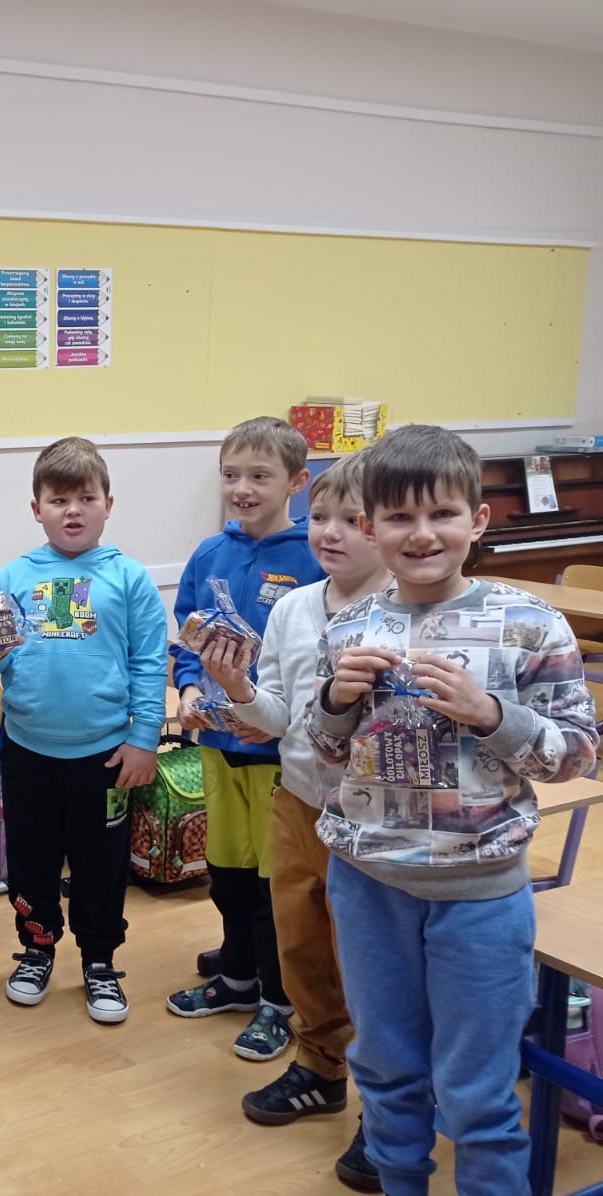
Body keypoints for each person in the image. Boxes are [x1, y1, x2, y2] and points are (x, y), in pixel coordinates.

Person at [307, 423, 597, 1196]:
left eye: (442, 513)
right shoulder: (349, 626)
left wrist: (490, 713)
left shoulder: (529, 622)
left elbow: (578, 755)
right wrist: (334, 700)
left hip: (480, 891)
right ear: (370, 526)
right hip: (368, 883)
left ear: (479, 519)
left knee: (477, 1094)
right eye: (399, 517)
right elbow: (326, 752)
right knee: (385, 1069)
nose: (422, 533)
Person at [199, 452, 388, 1190]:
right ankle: (320, 1067)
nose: (330, 533)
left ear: (386, 529)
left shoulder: (403, 610)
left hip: (374, 820)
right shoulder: (293, 608)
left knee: (366, 964)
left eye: (353, 521)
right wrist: (237, 687)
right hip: (298, 799)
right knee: (301, 946)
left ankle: (389, 1110)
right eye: (322, 518)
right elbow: (279, 716)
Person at [0, 437, 167, 1023]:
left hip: (104, 756)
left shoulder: (130, 578)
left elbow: (149, 662)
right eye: (59, 500)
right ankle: (36, 950)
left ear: (109, 503)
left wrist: (145, 738)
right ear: (37, 509)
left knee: (100, 865)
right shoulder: (15, 574)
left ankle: (100, 961)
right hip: (28, 751)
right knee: (30, 862)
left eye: (86, 498)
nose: (73, 511)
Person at [166, 417, 323, 1062]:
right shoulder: (210, 553)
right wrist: (189, 690)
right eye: (231, 475)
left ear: (296, 481)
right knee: (227, 872)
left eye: (260, 476)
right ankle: (237, 976)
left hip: (277, 754)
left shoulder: (315, 556)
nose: (242, 489)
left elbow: (322, 661)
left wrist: (280, 716)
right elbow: (188, 637)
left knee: (272, 886)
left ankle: (280, 1001)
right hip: (217, 745)